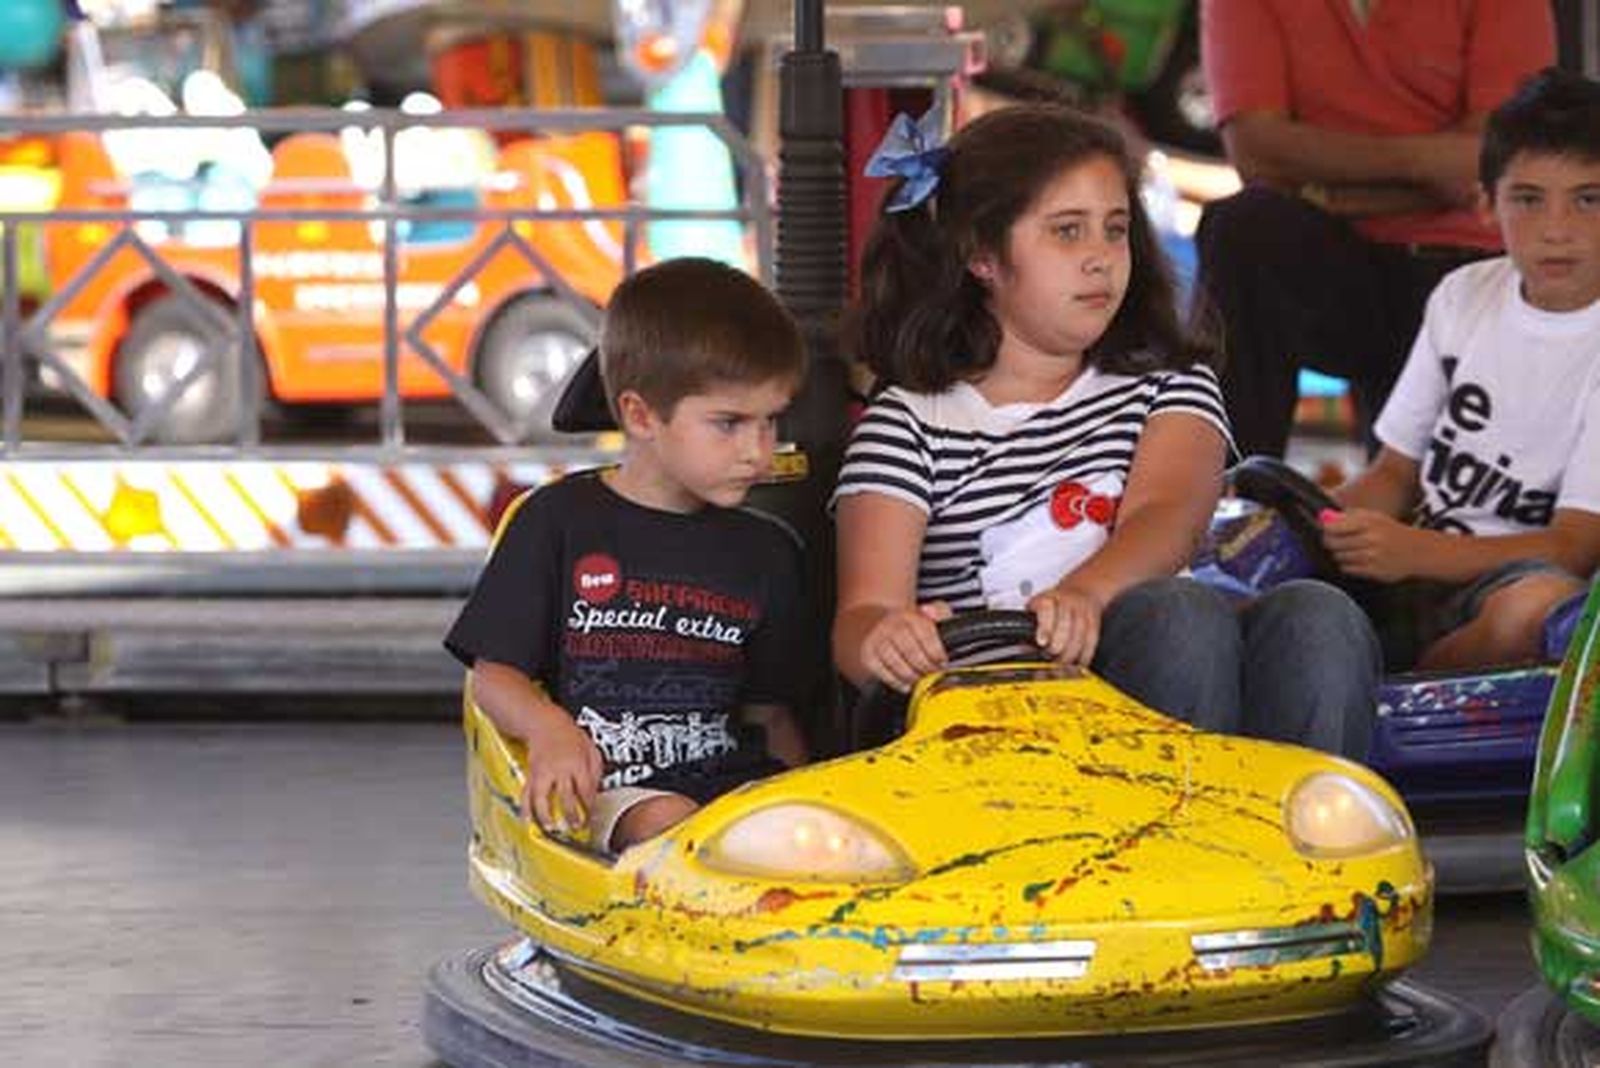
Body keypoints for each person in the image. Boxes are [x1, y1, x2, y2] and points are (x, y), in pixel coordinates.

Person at [833, 104, 1380, 759]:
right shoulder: (910, 423)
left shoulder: (1167, 384)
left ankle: (1302, 817)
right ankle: (1163, 822)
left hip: (1162, 663)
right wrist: (887, 642)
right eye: (1067, 232)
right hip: (999, 736)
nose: (1100, 258)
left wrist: (1084, 597)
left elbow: (1168, 513)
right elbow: (863, 613)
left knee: (1317, 615)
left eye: (1115, 230)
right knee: (1179, 616)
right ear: (981, 255)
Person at [445, 257, 810, 853]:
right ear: (641, 415)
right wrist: (550, 730)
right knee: (669, 821)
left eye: (770, 422)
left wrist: (807, 804)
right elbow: (494, 676)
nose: (757, 451)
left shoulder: (766, 551)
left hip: (730, 792)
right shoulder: (556, 521)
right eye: (729, 423)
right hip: (606, 791)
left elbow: (771, 716)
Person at [1325, 68, 1600, 672]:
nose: (1557, 230)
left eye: (1588, 199)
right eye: (1528, 199)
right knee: (1251, 580)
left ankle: (1402, 682)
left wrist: (1417, 552)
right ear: (1486, 205)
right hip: (1410, 562)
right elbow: (1394, 472)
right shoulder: (1463, 295)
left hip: (1509, 582)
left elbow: (1575, 547)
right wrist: (1318, 518)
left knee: (1541, 606)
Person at [1193, 0, 1555, 458]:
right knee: (1240, 228)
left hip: (1468, 265)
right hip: (1336, 259)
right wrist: (1433, 168)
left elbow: (1498, 161)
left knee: (1420, 491)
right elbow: (1256, 152)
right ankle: (1227, 484)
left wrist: (1328, 190)